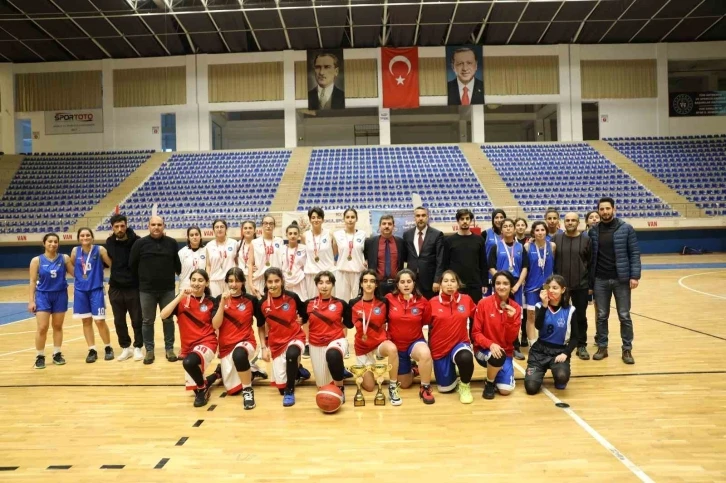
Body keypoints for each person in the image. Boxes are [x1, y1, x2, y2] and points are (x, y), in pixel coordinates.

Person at [589, 197, 641, 365]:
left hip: (621, 280)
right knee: (602, 316)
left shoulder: (626, 229)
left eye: (607, 209)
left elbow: (634, 253)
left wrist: (635, 276)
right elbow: (590, 258)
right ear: (598, 211)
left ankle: (627, 349)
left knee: (624, 315)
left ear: (614, 209)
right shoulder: (593, 231)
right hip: (600, 280)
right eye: (601, 209)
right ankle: (602, 347)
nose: (604, 212)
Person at [160, 269, 218, 408]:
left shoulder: (212, 302)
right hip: (188, 347)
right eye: (193, 280)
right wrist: (180, 296)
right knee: (194, 379)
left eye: (200, 280)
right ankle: (216, 375)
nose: (196, 283)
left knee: (189, 363)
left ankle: (203, 390)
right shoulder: (182, 300)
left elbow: (217, 325)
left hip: (207, 343)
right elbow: (163, 315)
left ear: (207, 283)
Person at [130, 215, 181, 364]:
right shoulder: (140, 244)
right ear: (149, 226)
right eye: (153, 224)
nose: (156, 227)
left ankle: (169, 349)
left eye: (159, 224)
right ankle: (150, 350)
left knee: (168, 319)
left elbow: (177, 265)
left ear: (163, 226)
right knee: (147, 321)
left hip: (167, 290)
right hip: (146, 291)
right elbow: (132, 265)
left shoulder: (172, 243)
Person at [257, 268, 311, 407]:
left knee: (292, 354)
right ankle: (297, 371)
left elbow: (305, 310)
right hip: (276, 343)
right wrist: (264, 347)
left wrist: (302, 319)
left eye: (276, 281)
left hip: (295, 336)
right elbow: (261, 326)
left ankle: (290, 391)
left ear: (282, 281)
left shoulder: (292, 297)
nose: (273, 285)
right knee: (280, 387)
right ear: (265, 283)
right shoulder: (262, 303)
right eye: (270, 282)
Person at [346, 269, 402, 405]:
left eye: (372, 281)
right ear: (361, 284)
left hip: (379, 344)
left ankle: (393, 386)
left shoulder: (384, 302)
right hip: (362, 347)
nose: (368, 284)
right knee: (370, 387)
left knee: (392, 349)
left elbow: (391, 320)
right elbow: (345, 324)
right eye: (365, 281)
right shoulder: (353, 303)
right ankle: (364, 369)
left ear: (377, 284)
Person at [212, 268, 262, 410]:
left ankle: (248, 391)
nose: (233, 284)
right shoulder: (219, 299)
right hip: (226, 346)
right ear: (226, 282)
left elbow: (263, 322)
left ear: (242, 282)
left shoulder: (250, 300)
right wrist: (222, 303)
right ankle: (251, 371)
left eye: (237, 281)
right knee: (232, 390)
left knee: (239, 355)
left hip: (246, 342)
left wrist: (266, 346)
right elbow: (216, 325)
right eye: (231, 281)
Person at [385, 269, 435, 404]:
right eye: (402, 282)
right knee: (405, 384)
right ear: (397, 285)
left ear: (414, 284)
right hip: (397, 347)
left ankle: (425, 387)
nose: (406, 285)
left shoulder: (423, 301)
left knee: (425, 353)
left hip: (415, 342)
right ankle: (414, 370)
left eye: (409, 282)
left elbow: (426, 321)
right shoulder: (389, 299)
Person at [428, 270, 477, 404]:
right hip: (440, 349)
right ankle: (453, 368)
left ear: (458, 284)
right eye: (446, 281)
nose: (449, 284)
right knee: (445, 389)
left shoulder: (466, 300)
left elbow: (480, 317)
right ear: (440, 284)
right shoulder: (432, 303)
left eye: (453, 281)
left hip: (459, 344)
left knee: (466, 357)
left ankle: (465, 386)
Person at [524, 275, 578, 395]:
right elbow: (538, 326)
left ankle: (558, 373)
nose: (551, 290)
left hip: (559, 352)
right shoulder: (539, 306)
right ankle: (538, 372)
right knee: (531, 388)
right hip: (540, 351)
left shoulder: (570, 310)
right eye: (549, 288)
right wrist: (544, 306)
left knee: (562, 377)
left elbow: (575, 337)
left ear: (563, 290)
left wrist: (566, 353)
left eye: (555, 288)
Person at [472, 271, 522, 400]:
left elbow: (511, 340)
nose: (501, 287)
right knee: (495, 357)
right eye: (498, 283)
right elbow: (475, 333)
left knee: (505, 390)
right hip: (483, 350)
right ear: (493, 285)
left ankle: (499, 373)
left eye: (505, 283)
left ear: (511, 286)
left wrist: (511, 320)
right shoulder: (483, 304)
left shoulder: (516, 308)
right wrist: (490, 344)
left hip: (505, 352)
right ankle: (489, 382)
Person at [29, 233, 74, 369]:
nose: (53, 244)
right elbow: (32, 281)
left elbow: (76, 274)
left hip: (60, 295)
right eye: (50, 241)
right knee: (42, 327)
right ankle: (40, 356)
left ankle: (57, 353)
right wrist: (31, 300)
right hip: (43, 295)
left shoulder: (64, 258)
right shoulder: (36, 260)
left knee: (57, 326)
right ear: (44, 243)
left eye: (55, 242)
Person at [304, 271, 351, 400]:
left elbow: (347, 324)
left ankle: (340, 387)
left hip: (336, 341)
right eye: (321, 283)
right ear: (316, 285)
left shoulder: (341, 304)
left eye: (328, 282)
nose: (324, 286)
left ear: (333, 285)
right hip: (316, 344)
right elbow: (302, 322)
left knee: (333, 354)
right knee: (323, 387)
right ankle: (339, 368)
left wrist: (341, 336)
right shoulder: (308, 304)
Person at [70, 228, 114, 363]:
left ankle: (108, 347)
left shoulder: (100, 250)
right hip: (80, 291)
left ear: (92, 237)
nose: (85, 237)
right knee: (86, 321)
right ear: (78, 238)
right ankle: (92, 349)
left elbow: (112, 265)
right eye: (82, 235)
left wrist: (113, 281)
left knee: (100, 321)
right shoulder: (75, 251)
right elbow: (72, 266)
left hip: (96, 289)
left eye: (88, 235)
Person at [553, 212, 592, 360]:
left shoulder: (586, 239)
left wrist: (589, 283)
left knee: (580, 316)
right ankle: (558, 343)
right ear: (563, 222)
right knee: (558, 316)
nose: (570, 222)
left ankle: (581, 345)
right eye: (567, 220)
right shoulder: (556, 239)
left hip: (580, 285)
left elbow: (590, 261)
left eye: (573, 220)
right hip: (561, 287)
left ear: (578, 222)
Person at [105, 214, 143, 362]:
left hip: (133, 286)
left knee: (137, 319)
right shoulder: (109, 242)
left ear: (126, 225)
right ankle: (126, 347)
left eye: (122, 226)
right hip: (115, 287)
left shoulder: (137, 241)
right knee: (119, 320)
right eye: (116, 227)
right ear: (112, 228)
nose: (120, 229)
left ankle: (138, 347)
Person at [442, 208, 487, 304]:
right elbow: (445, 264)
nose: (465, 221)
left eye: (467, 219)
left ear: (470, 221)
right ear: (458, 221)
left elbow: (483, 263)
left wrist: (484, 283)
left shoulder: (479, 240)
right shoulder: (449, 241)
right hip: (456, 284)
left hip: (475, 284)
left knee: (474, 314)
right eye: (462, 219)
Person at [522, 221, 555, 345]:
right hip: (531, 286)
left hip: (547, 286)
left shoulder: (552, 246)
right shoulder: (527, 247)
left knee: (548, 314)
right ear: (533, 232)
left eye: (542, 230)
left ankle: (548, 341)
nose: (540, 233)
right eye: (537, 230)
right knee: (531, 316)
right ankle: (532, 344)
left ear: (546, 231)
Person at [403, 206, 444, 300]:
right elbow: (405, 256)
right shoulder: (407, 234)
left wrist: (437, 280)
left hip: (430, 281)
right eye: (418, 216)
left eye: (423, 215)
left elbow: (440, 259)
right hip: (411, 280)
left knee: (429, 308)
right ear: (414, 218)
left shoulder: (437, 234)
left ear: (427, 217)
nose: (420, 218)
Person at [488, 218, 529, 310]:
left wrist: (518, 285)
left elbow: (525, 267)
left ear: (514, 229)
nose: (508, 228)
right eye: (505, 227)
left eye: (510, 226)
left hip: (516, 285)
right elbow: (491, 267)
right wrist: (501, 281)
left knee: (516, 312)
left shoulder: (521, 247)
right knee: (500, 311)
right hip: (501, 285)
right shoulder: (496, 247)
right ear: (501, 230)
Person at [364, 214, 405, 297]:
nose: (387, 226)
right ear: (379, 226)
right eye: (384, 224)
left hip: (396, 284)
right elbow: (365, 258)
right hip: (377, 284)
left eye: (389, 224)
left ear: (393, 226)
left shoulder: (400, 242)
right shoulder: (370, 242)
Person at [301, 207, 338, 300]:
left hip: (327, 272)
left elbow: (335, 251)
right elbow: (303, 254)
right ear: (309, 219)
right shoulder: (305, 235)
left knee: (329, 301)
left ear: (323, 219)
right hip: (311, 273)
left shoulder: (330, 234)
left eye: (318, 217)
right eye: (313, 217)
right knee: (313, 301)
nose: (316, 220)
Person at [333, 208, 366, 301]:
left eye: (352, 217)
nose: (350, 219)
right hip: (342, 272)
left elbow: (365, 252)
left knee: (358, 301)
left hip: (358, 272)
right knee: (342, 301)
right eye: (347, 217)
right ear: (344, 219)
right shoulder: (337, 235)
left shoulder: (363, 234)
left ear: (356, 219)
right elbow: (335, 253)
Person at [248, 215, 284, 298]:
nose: (268, 226)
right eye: (266, 223)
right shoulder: (254, 242)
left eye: (271, 223)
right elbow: (250, 264)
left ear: (274, 226)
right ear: (262, 225)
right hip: (259, 279)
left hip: (275, 281)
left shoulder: (280, 241)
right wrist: (250, 284)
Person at [205, 219, 237, 297]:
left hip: (230, 280)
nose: (219, 229)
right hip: (214, 281)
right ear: (213, 230)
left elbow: (238, 260)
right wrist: (207, 279)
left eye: (222, 227)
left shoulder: (234, 243)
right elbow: (208, 265)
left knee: (230, 305)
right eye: (217, 227)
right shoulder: (209, 245)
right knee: (217, 304)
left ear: (226, 229)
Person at [282, 221, 307, 300]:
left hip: (299, 280)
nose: (293, 236)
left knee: (302, 303)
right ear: (286, 235)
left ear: (299, 235)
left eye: (295, 233)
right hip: (285, 281)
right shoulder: (281, 249)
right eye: (290, 233)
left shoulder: (304, 248)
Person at [179, 226, 206, 291]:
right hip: (185, 287)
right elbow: (178, 270)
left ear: (200, 236)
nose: (194, 237)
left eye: (196, 234)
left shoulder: (206, 250)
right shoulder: (182, 252)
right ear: (188, 238)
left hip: (201, 288)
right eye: (191, 235)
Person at [235, 220, 256, 295]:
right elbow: (234, 258)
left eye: (250, 228)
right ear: (242, 230)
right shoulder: (238, 244)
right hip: (241, 277)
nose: (247, 230)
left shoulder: (258, 244)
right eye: (245, 228)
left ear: (254, 230)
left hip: (254, 277)